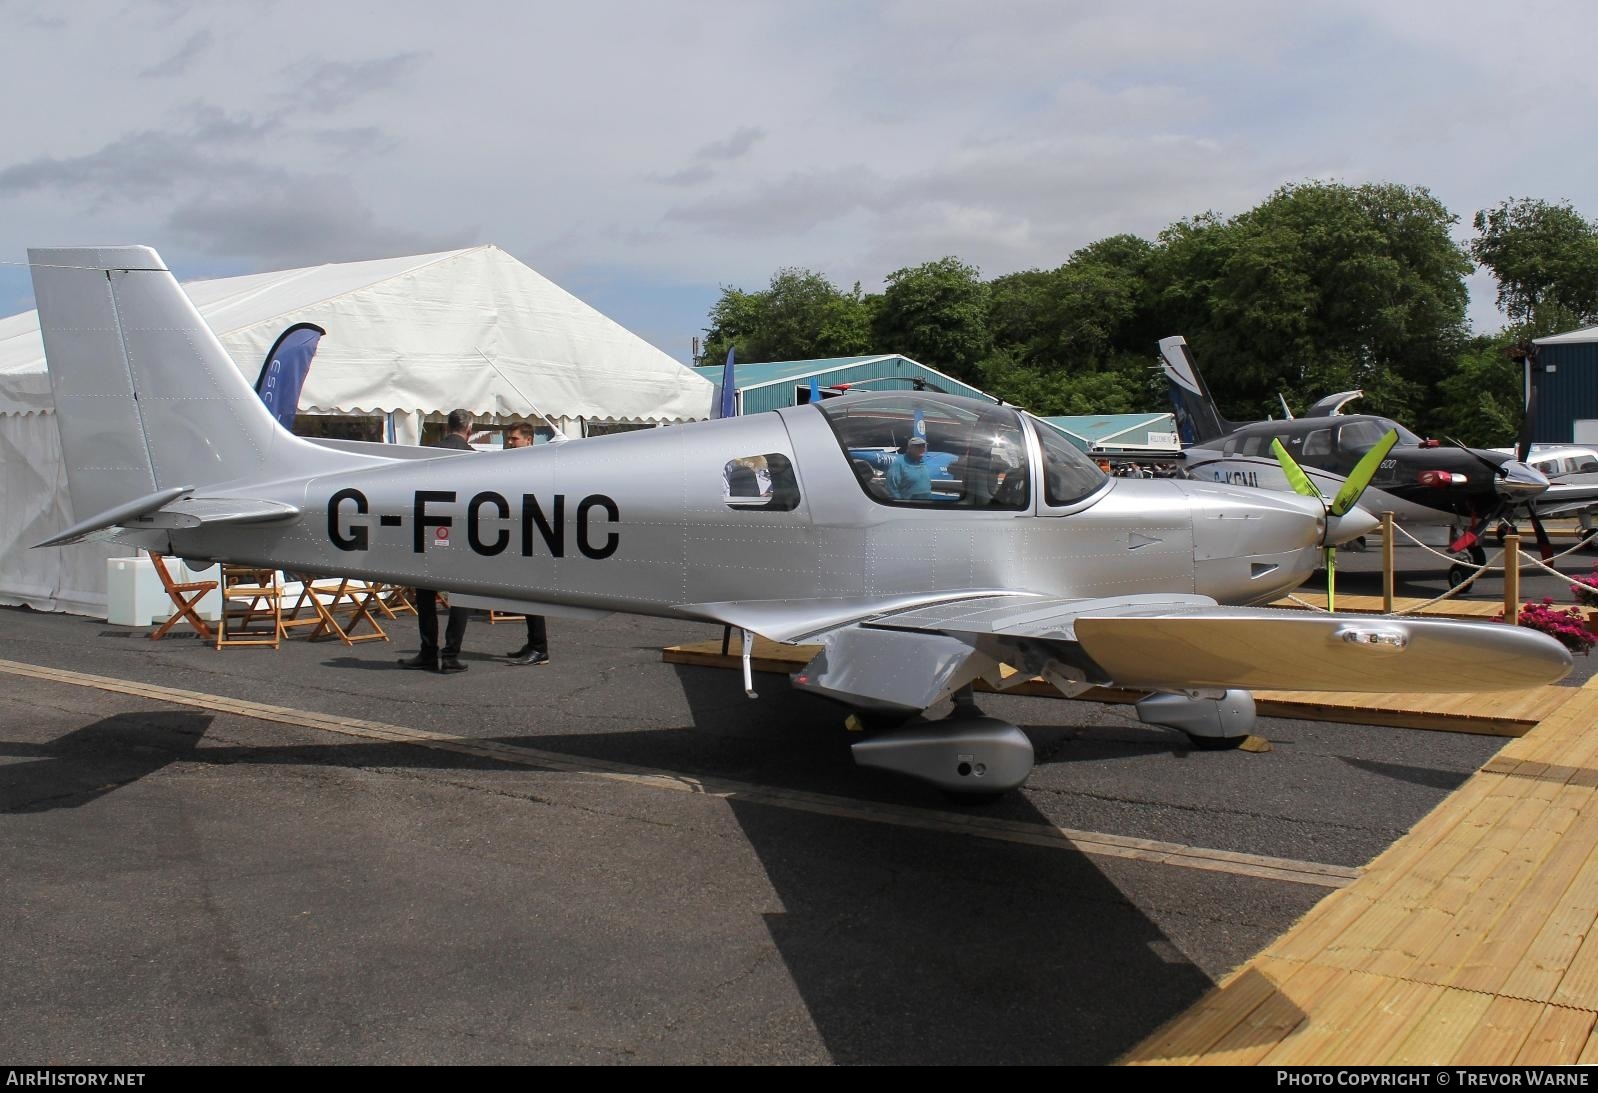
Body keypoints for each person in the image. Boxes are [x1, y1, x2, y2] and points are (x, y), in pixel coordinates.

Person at [399, 409, 475, 673]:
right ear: (469, 430)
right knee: (460, 598)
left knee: (426, 596)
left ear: (446, 427)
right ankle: (451, 655)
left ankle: (428, 651)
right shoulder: (475, 460)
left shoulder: (429, 455)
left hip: (429, 532)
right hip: (461, 536)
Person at [502, 421, 550, 666]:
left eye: (514, 439)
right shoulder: (520, 464)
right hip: (523, 534)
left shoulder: (534, 464)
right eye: (509, 439)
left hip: (533, 536)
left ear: (529, 440)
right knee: (524, 592)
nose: (509, 443)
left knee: (531, 592)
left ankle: (539, 648)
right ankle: (533, 643)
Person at [887, 435, 935, 500]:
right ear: (909, 448)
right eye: (918, 446)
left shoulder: (923, 462)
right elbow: (892, 487)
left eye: (923, 446)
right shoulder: (899, 463)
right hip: (909, 506)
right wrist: (900, 503)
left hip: (927, 504)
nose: (922, 448)